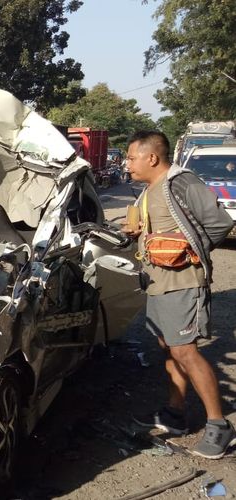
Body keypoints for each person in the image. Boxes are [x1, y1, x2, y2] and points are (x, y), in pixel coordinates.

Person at [122, 130, 235, 459]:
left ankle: (219, 426)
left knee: (186, 352)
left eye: (131, 157)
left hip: (183, 283)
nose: (126, 164)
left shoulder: (180, 182)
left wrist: (190, 252)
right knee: (169, 349)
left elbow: (219, 223)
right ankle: (176, 414)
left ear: (151, 158)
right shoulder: (148, 191)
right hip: (158, 282)